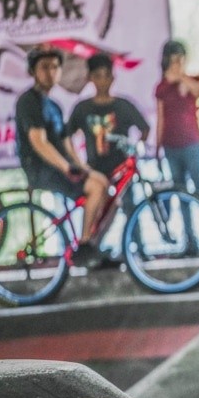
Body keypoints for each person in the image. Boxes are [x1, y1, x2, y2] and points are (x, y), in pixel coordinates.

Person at [14, 46, 108, 267]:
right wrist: (66, 168)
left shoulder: (54, 106)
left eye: (55, 67)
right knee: (95, 188)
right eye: (44, 67)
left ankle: (93, 245)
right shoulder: (29, 101)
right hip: (42, 169)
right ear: (33, 71)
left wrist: (84, 168)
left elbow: (69, 146)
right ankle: (84, 247)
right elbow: (39, 142)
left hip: (60, 167)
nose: (50, 72)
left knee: (104, 186)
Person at [67, 53, 151, 263]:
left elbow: (144, 128)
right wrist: (80, 165)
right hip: (96, 169)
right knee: (99, 210)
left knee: (130, 206)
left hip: (121, 168)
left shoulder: (123, 105)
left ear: (113, 78)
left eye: (106, 75)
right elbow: (67, 137)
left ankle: (138, 250)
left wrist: (136, 149)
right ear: (90, 78)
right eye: (98, 75)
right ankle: (90, 247)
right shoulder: (82, 108)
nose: (102, 81)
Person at [155, 40, 199, 207]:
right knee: (179, 190)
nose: (177, 65)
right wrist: (157, 146)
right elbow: (161, 118)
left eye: (180, 60)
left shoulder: (192, 79)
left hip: (192, 142)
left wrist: (181, 77)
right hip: (171, 145)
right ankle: (188, 232)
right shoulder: (162, 87)